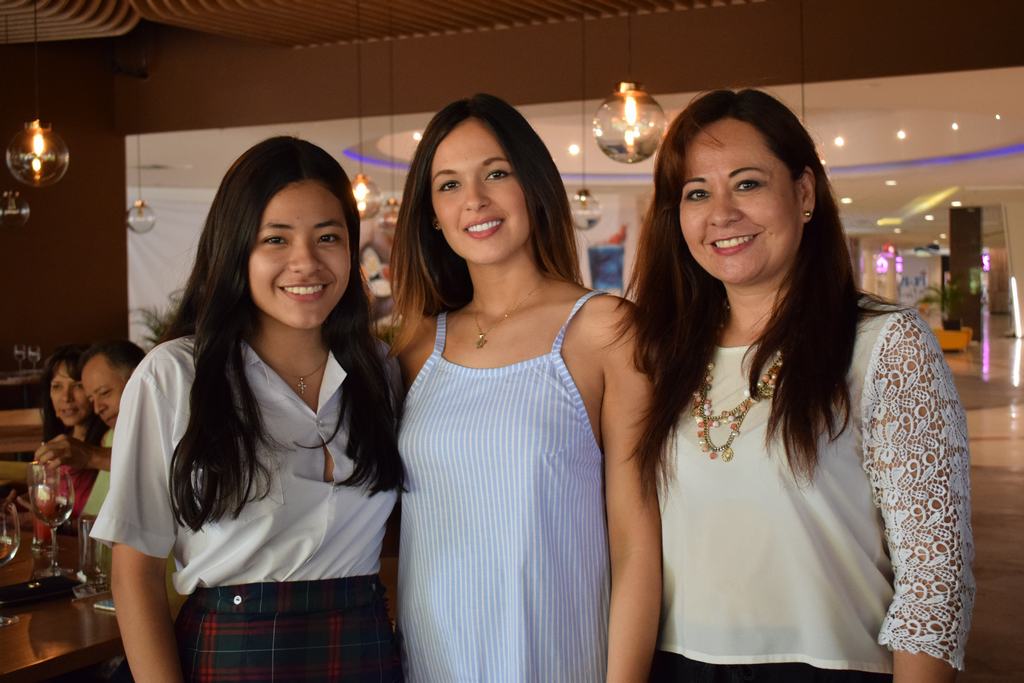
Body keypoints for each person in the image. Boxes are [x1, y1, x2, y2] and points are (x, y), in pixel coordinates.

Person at [630, 89, 974, 681]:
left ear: (805, 193)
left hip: (829, 664)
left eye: (747, 183)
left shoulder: (883, 344)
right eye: (696, 193)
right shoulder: (658, 351)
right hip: (676, 665)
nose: (722, 213)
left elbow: (935, 580)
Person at [92, 137, 404, 682]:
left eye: (328, 237)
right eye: (275, 239)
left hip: (365, 650)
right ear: (236, 250)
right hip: (232, 656)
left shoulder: (380, 371)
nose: (305, 262)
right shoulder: (176, 376)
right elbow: (135, 575)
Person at [390, 93, 661, 682]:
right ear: (431, 213)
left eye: (496, 173)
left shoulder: (604, 330)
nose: (475, 201)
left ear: (533, 185)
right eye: (449, 185)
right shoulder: (414, 348)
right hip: (433, 661)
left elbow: (636, 544)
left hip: (559, 658)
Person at [34, 344, 108, 520]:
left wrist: (48, 520)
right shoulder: (57, 443)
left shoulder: (108, 444)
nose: (66, 397)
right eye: (57, 386)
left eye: (77, 386)